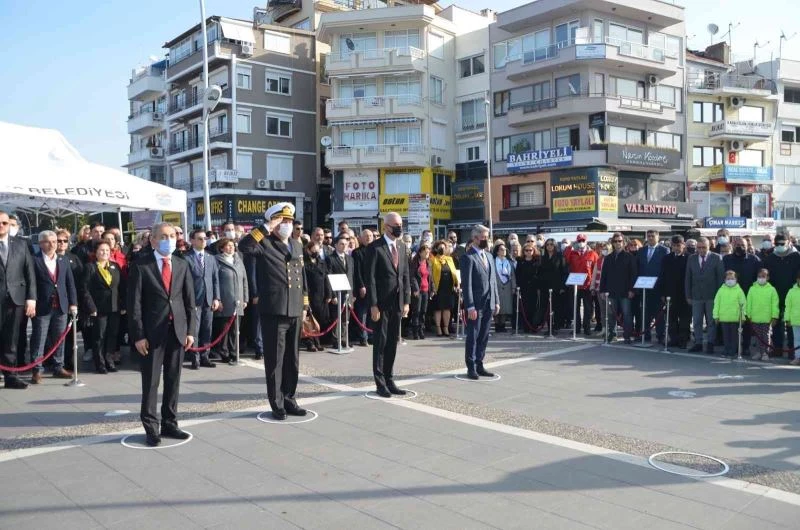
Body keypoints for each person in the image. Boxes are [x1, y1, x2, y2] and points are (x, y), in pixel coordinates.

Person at [128, 223, 196, 446]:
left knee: (173, 379)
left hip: (176, 331)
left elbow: (189, 301)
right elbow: (134, 305)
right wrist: (138, 335)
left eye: (173, 236)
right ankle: (151, 427)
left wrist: (190, 331)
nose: (170, 240)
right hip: (151, 334)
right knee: (151, 382)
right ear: (153, 240)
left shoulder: (181, 263)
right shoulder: (141, 266)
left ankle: (170, 423)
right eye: (164, 236)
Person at [239, 203, 309, 420]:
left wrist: (305, 305)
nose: (287, 225)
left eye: (289, 221)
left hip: (295, 308)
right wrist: (267, 226)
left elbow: (302, 277)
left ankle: (290, 398)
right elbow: (244, 246)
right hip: (274, 309)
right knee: (275, 359)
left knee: (293, 359)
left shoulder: (296, 245)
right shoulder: (265, 243)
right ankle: (277, 403)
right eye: (283, 221)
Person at [366, 212, 410, 398]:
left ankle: (390, 378)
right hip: (381, 304)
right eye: (395, 225)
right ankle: (380, 382)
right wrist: (373, 304)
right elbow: (371, 280)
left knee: (392, 342)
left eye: (400, 224)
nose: (399, 228)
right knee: (381, 342)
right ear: (386, 227)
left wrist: (407, 301)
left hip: (397, 302)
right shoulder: (375, 248)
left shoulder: (401, 246)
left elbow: (406, 275)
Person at [27, 231, 78, 382]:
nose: (52, 244)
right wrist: (32, 300)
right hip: (42, 306)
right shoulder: (34, 260)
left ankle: (58, 366)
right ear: (41, 243)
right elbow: (32, 283)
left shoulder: (63, 260)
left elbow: (70, 283)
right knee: (39, 338)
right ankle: (37, 369)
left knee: (59, 338)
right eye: (48, 242)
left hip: (61, 305)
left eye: (55, 241)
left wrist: (73, 303)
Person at [0, 211, 36, 389]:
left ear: (10, 225)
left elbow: (30, 274)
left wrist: (32, 298)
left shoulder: (21, 244)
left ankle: (11, 376)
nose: (1, 226)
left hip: (16, 299)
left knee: (12, 340)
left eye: (5, 223)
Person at [459, 224, 499, 380]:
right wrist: (469, 306)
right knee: (473, 336)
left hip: (489, 302)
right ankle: (471, 367)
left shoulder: (489, 256)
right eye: (483, 237)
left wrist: (496, 300)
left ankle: (480, 363)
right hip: (475, 304)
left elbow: (493, 280)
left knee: (484, 335)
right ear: (475, 238)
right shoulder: (467, 257)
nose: (486, 240)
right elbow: (466, 284)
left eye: (487, 237)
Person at [83, 241, 125, 374]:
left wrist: (123, 305)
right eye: (102, 250)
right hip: (98, 308)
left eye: (107, 250)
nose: (105, 253)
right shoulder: (90, 267)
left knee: (112, 334)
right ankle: (99, 363)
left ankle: (109, 360)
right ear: (95, 252)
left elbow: (122, 287)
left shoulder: (115, 266)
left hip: (114, 307)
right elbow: (85, 289)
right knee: (99, 336)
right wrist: (91, 307)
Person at [184, 229, 221, 370]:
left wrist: (217, 298)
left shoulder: (211, 257)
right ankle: (195, 358)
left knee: (207, 329)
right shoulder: (186, 258)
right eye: (199, 238)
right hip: (194, 299)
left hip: (209, 299)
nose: (203, 241)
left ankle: (205, 356)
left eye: (204, 238)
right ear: (192, 240)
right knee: (194, 329)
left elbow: (215, 279)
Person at [686, 237, 724, 354]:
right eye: (699, 247)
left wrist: (719, 296)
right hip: (696, 295)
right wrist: (688, 295)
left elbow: (720, 278)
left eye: (704, 247)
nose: (701, 250)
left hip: (712, 295)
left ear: (709, 247)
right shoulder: (691, 258)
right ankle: (698, 342)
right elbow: (688, 277)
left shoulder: (717, 258)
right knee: (697, 321)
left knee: (711, 322)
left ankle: (710, 343)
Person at [763, 234, 800, 356]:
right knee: (776, 323)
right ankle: (777, 349)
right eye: (777, 244)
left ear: (789, 242)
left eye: (782, 244)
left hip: (793, 296)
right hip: (776, 295)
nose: (779, 246)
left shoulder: (797, 257)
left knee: (791, 324)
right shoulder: (770, 258)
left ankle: (792, 350)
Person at [213, 238, 248, 364]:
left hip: (238, 300)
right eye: (227, 246)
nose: (231, 248)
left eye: (232, 246)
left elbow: (244, 279)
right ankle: (224, 352)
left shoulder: (238, 260)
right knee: (224, 329)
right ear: (222, 248)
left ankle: (234, 352)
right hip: (225, 299)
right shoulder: (217, 260)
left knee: (235, 329)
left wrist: (245, 298)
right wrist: (218, 299)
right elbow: (215, 281)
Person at [599, 233, 637, 344]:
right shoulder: (608, 258)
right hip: (611, 291)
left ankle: (627, 336)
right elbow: (604, 275)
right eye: (615, 241)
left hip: (625, 291)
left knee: (627, 314)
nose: (617, 243)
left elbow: (633, 275)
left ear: (623, 242)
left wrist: (632, 290)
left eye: (619, 241)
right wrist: (602, 290)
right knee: (611, 314)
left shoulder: (629, 257)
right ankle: (612, 334)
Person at [636, 230, 668, 343]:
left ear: (658, 237)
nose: (650, 238)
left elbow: (666, 271)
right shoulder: (641, 250)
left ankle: (661, 335)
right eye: (648, 236)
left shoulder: (664, 251)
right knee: (645, 312)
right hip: (644, 288)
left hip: (658, 288)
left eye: (652, 236)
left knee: (659, 313)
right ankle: (646, 334)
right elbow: (638, 268)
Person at [660, 235, 690, 349]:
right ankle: (674, 339)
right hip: (670, 294)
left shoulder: (689, 258)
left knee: (684, 319)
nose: (676, 248)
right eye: (674, 245)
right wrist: (662, 293)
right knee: (671, 319)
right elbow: (662, 276)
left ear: (683, 245)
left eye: (679, 245)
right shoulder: (666, 258)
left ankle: (683, 340)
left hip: (684, 294)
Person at [565, 234, 598, 337]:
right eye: (579, 240)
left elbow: (596, 269)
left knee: (588, 309)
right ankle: (577, 328)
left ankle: (587, 328)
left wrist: (593, 285)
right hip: (575, 286)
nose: (581, 242)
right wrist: (571, 246)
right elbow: (566, 258)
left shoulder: (593, 254)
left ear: (586, 241)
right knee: (575, 308)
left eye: (583, 240)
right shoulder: (572, 253)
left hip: (587, 286)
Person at [326, 233, 355, 347]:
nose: (344, 246)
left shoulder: (350, 259)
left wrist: (353, 293)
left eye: (346, 244)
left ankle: (344, 339)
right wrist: (332, 295)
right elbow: (328, 277)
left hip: (348, 293)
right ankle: (335, 340)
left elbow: (352, 276)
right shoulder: (330, 259)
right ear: (336, 245)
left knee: (345, 319)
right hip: (337, 293)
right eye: (341, 244)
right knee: (336, 318)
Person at [746, 269, 779, 361]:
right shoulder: (752, 289)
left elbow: (775, 304)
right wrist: (748, 314)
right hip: (755, 317)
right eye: (759, 277)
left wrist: (774, 316)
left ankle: (765, 352)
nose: (761, 278)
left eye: (763, 276)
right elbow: (749, 302)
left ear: (767, 278)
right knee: (757, 336)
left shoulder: (772, 290)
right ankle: (758, 352)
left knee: (766, 336)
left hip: (766, 318)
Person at [303, 240, 330, 352]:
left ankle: (318, 341)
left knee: (319, 320)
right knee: (310, 321)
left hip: (321, 295)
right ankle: (310, 342)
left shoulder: (322, 262)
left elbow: (326, 279)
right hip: (310, 295)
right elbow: (304, 281)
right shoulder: (304, 263)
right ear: (308, 250)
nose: (316, 251)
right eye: (314, 249)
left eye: (318, 249)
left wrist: (329, 294)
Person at [713, 270, 747, 357]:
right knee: (726, 336)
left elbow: (743, 305)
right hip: (724, 318)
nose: (730, 280)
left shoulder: (739, 291)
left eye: (732, 278)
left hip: (735, 318)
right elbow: (716, 303)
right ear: (724, 280)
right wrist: (716, 316)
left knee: (734, 336)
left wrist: (742, 317)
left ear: (736, 280)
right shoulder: (720, 290)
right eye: (728, 278)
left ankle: (733, 351)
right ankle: (726, 350)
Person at [538, 238, 568, 333]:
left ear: (554, 246)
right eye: (547, 244)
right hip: (545, 287)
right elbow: (540, 272)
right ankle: (549, 327)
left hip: (557, 287)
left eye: (551, 244)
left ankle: (556, 326)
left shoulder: (560, 256)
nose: (549, 246)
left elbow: (564, 272)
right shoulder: (543, 257)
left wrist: (563, 287)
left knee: (556, 308)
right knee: (546, 307)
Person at [430, 240, 458, 337]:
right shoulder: (433, 259)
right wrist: (432, 287)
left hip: (448, 287)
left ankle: (445, 327)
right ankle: (438, 328)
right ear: (436, 249)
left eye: (443, 247)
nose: (442, 249)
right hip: (438, 287)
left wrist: (456, 283)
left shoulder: (449, 259)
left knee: (447, 309)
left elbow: (454, 273)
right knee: (438, 309)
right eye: (440, 247)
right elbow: (431, 274)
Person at [351, 229, 373, 347]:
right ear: (361, 238)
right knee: (362, 313)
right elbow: (357, 271)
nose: (368, 238)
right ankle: (363, 337)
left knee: (372, 313)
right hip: (363, 287)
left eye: (370, 236)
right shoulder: (357, 252)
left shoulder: (375, 250)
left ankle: (371, 336)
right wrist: (361, 286)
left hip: (374, 287)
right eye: (366, 236)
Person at [515, 242, 540, 333]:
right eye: (526, 250)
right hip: (523, 288)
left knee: (534, 308)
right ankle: (526, 327)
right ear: (524, 251)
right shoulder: (520, 261)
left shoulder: (537, 261)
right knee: (524, 308)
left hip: (534, 288)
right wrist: (518, 286)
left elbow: (539, 274)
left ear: (533, 251)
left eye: (530, 250)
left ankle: (534, 326)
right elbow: (517, 275)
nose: (529, 252)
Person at [492, 242, 516, 332]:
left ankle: (503, 325)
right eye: (501, 249)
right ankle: (497, 325)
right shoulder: (494, 262)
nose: (504, 251)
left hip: (507, 287)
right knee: (497, 307)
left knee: (505, 307)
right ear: (497, 252)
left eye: (505, 249)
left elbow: (513, 275)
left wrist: (513, 287)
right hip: (497, 287)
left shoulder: (509, 262)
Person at [409, 242, 431, 340]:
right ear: (420, 252)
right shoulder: (415, 262)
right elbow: (412, 277)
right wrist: (415, 289)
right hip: (418, 290)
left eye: (428, 252)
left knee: (423, 311)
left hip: (426, 290)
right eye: (425, 252)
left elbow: (430, 277)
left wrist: (432, 289)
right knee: (416, 311)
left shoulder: (428, 263)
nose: (427, 254)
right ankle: (415, 332)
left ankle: (421, 330)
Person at [590, 242, 610, 336]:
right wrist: (592, 287)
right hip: (599, 289)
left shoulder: (612, 259)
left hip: (610, 290)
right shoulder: (599, 260)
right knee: (602, 310)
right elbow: (594, 275)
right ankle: (604, 328)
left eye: (606, 248)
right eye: (603, 249)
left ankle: (611, 330)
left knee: (610, 311)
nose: (604, 250)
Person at [785, 271, 800, 365]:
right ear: (797, 280)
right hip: (795, 320)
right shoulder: (791, 291)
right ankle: (798, 357)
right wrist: (787, 319)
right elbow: (788, 306)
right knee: (797, 340)